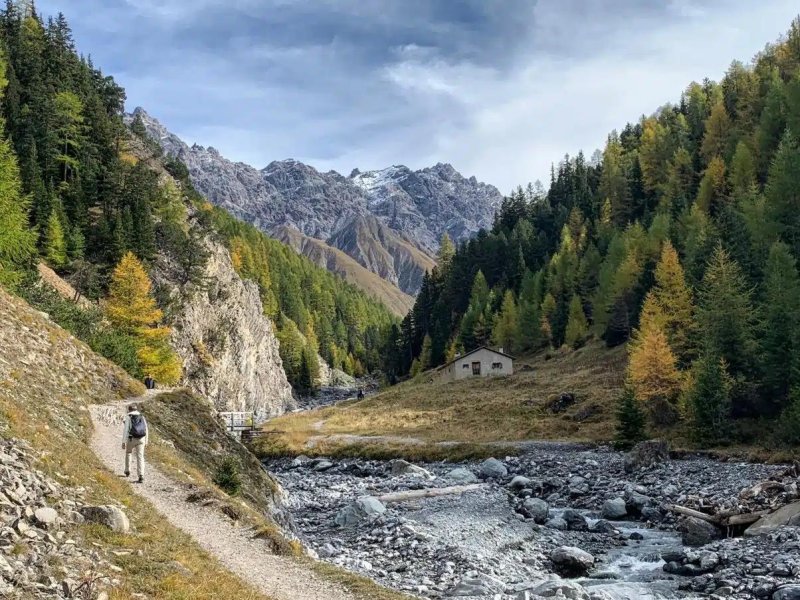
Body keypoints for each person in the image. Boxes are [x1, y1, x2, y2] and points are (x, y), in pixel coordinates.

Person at [121, 404, 148, 483]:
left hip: (131, 439)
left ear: (129, 410)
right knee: (140, 457)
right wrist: (146, 441)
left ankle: (127, 470)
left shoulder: (128, 417)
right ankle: (141, 475)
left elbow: (126, 430)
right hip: (141, 439)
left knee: (128, 453)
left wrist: (123, 442)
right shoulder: (142, 416)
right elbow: (146, 429)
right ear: (136, 410)